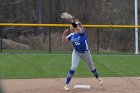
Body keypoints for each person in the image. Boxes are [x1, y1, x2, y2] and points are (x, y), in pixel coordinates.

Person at [62, 17, 103, 91]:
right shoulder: (72, 35)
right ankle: (66, 85)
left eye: (78, 26)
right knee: (73, 67)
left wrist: (71, 21)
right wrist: (64, 35)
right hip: (76, 53)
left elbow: (77, 28)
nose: (78, 27)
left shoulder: (82, 33)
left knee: (91, 67)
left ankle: (98, 78)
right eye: (77, 26)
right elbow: (64, 41)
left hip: (86, 53)